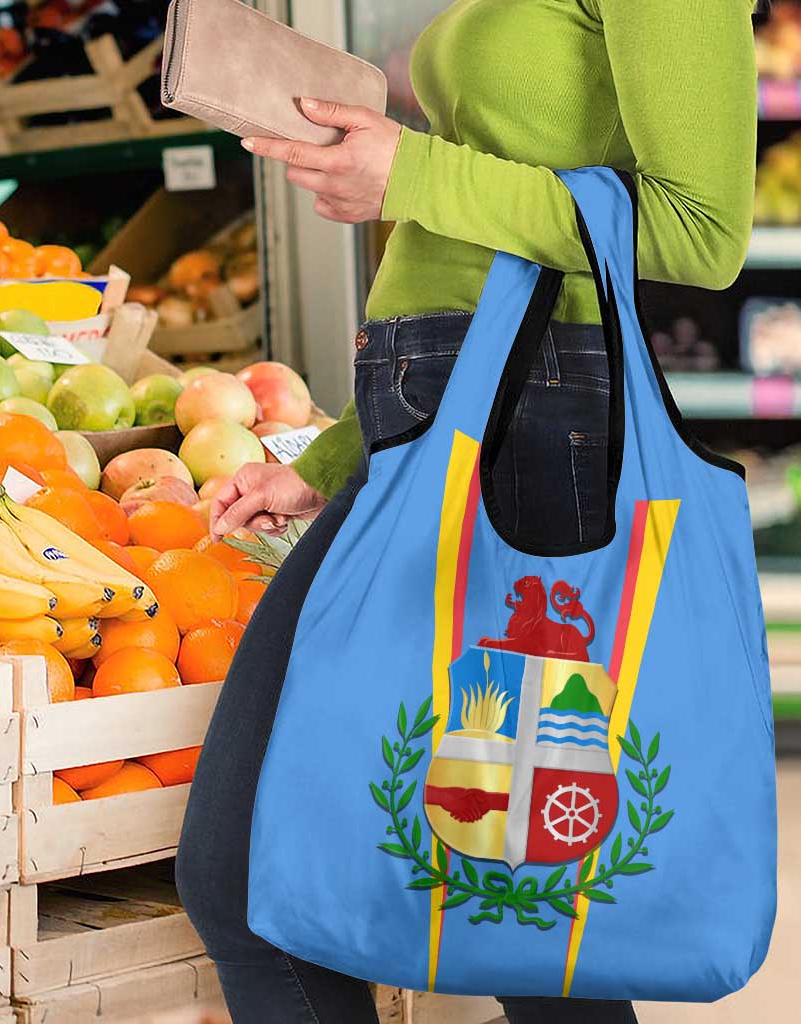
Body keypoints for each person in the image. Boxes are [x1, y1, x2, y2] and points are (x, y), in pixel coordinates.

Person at [176, 2, 760, 1021]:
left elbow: (702, 230)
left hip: (538, 445)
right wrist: (335, 456)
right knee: (504, 910)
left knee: (501, 912)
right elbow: (477, 244)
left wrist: (411, 172)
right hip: (448, 431)